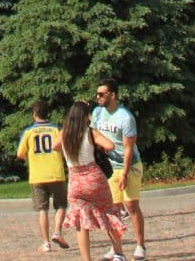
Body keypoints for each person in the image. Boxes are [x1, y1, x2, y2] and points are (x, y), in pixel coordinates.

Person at [52, 101, 125, 261]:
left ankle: (86, 259)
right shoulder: (90, 132)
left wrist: (66, 152)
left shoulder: (65, 133)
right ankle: (118, 253)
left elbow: (54, 146)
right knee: (108, 213)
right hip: (93, 178)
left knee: (81, 222)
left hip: (75, 182)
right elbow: (110, 145)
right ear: (85, 117)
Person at [92, 78, 146, 261]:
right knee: (112, 209)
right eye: (97, 94)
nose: (97, 97)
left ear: (113, 95)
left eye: (101, 94)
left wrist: (124, 173)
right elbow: (94, 133)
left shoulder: (126, 117)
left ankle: (140, 245)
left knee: (131, 205)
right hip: (109, 167)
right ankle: (116, 249)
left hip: (129, 165)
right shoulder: (98, 113)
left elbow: (129, 148)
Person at [17, 100, 69, 252]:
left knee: (42, 210)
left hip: (37, 175)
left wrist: (31, 158)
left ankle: (46, 243)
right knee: (61, 205)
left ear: (34, 114)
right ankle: (57, 231)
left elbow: (20, 153)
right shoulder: (56, 129)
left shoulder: (29, 132)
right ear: (48, 113)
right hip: (56, 172)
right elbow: (64, 150)